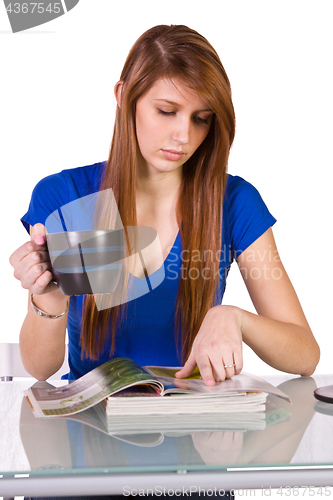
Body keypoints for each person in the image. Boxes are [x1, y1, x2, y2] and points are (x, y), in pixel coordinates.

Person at [10, 24, 319, 499]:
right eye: (167, 110)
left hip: (198, 455)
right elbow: (40, 368)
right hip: (90, 455)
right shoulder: (67, 195)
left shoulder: (233, 202)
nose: (183, 135)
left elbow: (304, 353)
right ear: (123, 97)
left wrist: (234, 317)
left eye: (201, 118)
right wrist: (47, 295)